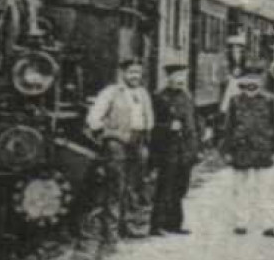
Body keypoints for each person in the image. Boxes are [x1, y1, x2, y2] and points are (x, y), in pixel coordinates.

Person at [85, 58, 156, 243]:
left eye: (138, 73)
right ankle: (111, 231)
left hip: (138, 142)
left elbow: (149, 118)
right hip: (117, 143)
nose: (135, 76)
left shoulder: (142, 94)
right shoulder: (110, 93)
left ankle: (129, 226)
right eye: (131, 72)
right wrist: (108, 134)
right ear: (123, 73)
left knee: (134, 185)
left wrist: (146, 135)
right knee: (116, 185)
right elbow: (94, 118)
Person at [223, 67, 274, 236]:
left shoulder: (269, 101)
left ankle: (269, 225)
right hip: (240, 149)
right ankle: (241, 223)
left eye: (255, 81)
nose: (251, 85)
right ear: (243, 82)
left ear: (260, 83)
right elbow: (228, 127)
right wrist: (227, 150)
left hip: (263, 149)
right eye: (248, 81)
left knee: (266, 189)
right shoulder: (235, 101)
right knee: (240, 189)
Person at [149, 63, 200, 236]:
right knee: (165, 187)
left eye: (182, 77)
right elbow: (152, 125)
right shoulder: (159, 97)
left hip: (185, 150)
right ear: (168, 78)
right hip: (167, 149)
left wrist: (194, 149)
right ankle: (156, 225)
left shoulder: (186, 96)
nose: (180, 80)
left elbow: (193, 124)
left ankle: (174, 224)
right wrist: (167, 127)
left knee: (180, 187)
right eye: (176, 77)